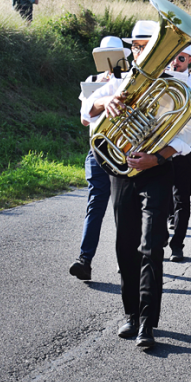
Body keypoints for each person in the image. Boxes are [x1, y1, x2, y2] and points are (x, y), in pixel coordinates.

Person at [80, 20, 191, 348]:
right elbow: (87, 112)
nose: (143, 51)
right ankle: (131, 314)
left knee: (150, 246)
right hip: (121, 171)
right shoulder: (120, 80)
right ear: (132, 49)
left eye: (150, 45)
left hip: (156, 171)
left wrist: (157, 157)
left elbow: (188, 135)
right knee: (125, 245)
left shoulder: (177, 89)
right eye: (139, 46)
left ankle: (147, 322)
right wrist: (109, 103)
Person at [70, 36, 131, 281]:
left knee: (122, 208)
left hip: (123, 149)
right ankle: (85, 260)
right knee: (96, 204)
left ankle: (124, 257)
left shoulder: (130, 79)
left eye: (115, 55)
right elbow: (85, 119)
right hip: (97, 149)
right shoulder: (91, 82)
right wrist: (101, 92)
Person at [165, 47, 191, 262]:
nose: (175, 62)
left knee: (182, 198)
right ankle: (160, 236)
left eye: (181, 58)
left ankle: (177, 244)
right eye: (172, 57)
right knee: (159, 196)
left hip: (184, 147)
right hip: (159, 147)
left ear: (190, 59)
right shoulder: (159, 79)